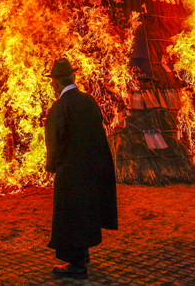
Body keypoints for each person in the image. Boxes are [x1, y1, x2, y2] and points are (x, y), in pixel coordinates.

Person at [43, 58, 118, 278]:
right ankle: (83, 254)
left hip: (71, 172)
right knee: (86, 212)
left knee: (71, 216)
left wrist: (54, 167)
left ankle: (76, 265)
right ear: (73, 77)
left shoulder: (60, 106)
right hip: (92, 169)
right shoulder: (89, 100)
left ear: (55, 82)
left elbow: (54, 140)